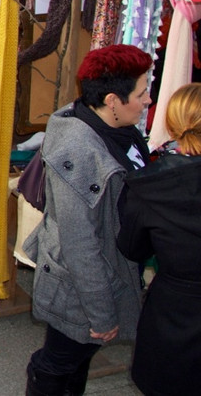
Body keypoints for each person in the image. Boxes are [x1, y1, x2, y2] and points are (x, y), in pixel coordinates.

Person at [25, 44, 150, 396]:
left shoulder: (110, 126)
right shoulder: (79, 155)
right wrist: (101, 314)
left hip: (100, 275)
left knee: (74, 361)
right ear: (112, 100)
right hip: (81, 288)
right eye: (141, 94)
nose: (147, 101)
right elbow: (80, 244)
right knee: (58, 363)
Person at [118, 82, 201, 396]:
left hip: (172, 311)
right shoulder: (149, 184)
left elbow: (131, 246)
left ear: (173, 124)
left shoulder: (150, 185)